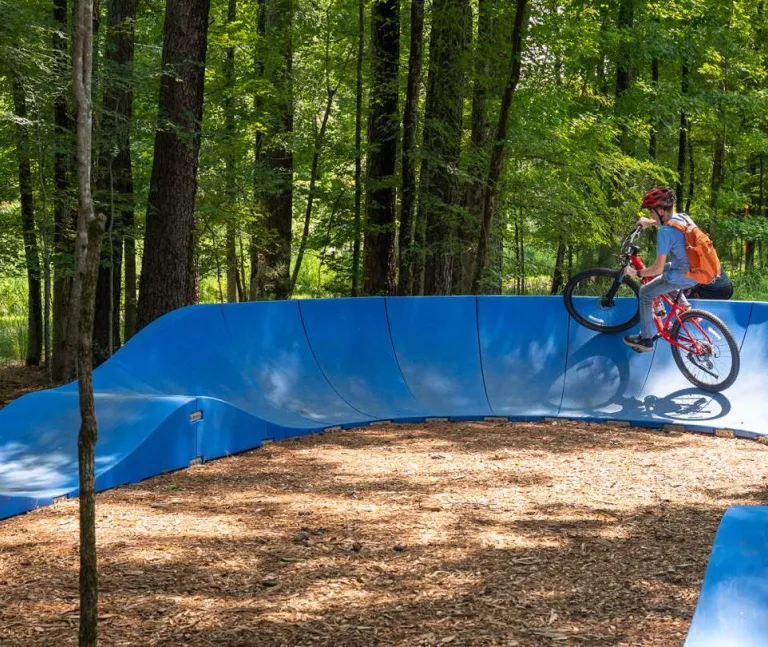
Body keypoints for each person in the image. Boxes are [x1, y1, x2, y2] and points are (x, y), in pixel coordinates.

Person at [622, 186, 702, 353]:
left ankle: (646, 340)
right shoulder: (683, 217)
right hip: (698, 269)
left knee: (645, 292)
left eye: (651, 212)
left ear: (660, 210)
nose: (650, 214)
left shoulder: (665, 232)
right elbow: (672, 225)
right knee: (664, 271)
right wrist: (649, 223)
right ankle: (685, 309)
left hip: (684, 275)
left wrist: (635, 273)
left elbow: (656, 267)